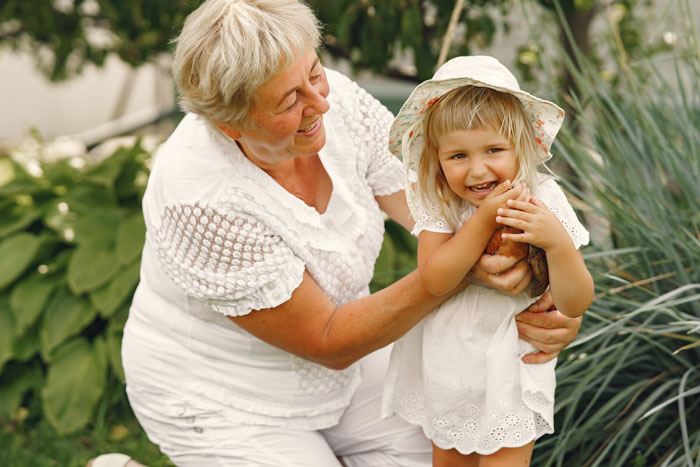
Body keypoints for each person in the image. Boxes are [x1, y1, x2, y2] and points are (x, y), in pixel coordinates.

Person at [118, 1, 583, 466]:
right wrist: (462, 273)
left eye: (314, 73)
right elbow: (326, 339)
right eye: (288, 101)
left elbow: (444, 207)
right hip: (224, 392)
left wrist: (549, 305)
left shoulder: (334, 103)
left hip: (353, 366)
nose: (320, 102)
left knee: (455, 434)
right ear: (230, 124)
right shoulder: (198, 198)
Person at [380, 55, 594, 466]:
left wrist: (559, 246)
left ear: (522, 147)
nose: (477, 170)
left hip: (508, 367)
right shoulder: (441, 201)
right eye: (458, 156)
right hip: (448, 364)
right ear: (437, 158)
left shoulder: (542, 202)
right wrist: (480, 222)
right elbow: (436, 277)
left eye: (494, 149)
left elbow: (575, 301)